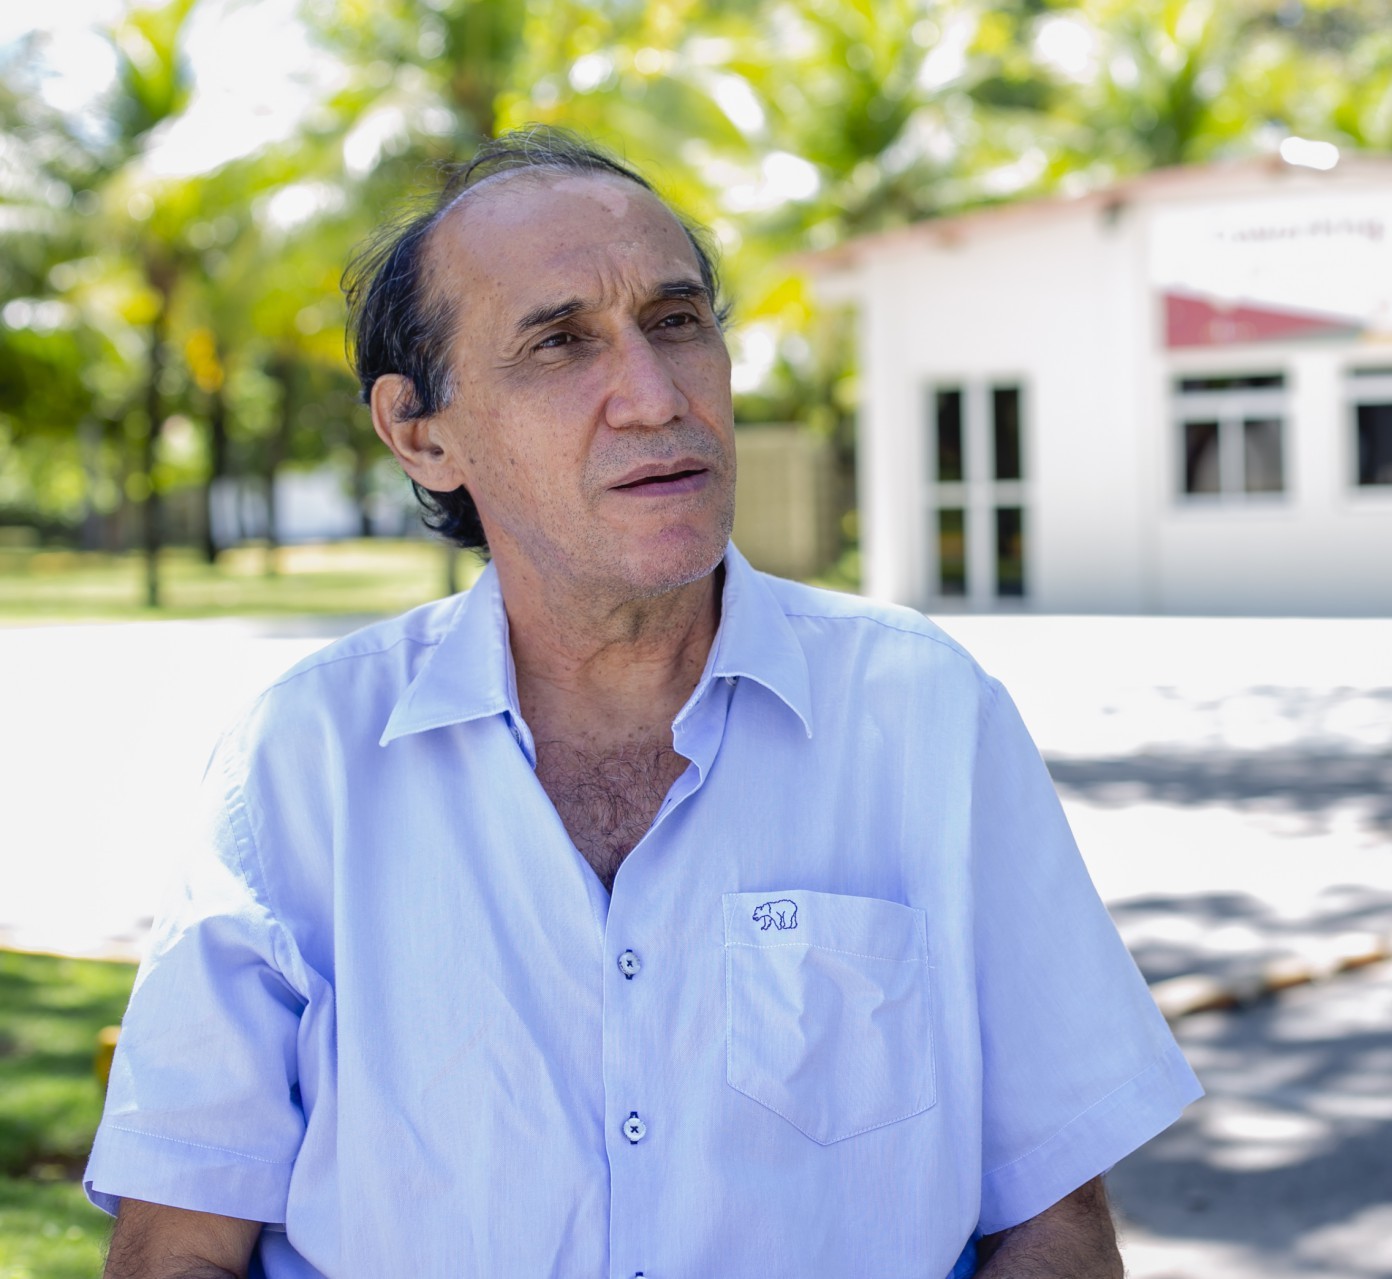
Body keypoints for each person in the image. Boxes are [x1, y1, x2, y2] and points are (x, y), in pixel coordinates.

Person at [84, 126, 1202, 1279]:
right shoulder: (303, 760)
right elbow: (178, 1244)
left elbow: (1055, 1222)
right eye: (560, 343)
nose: (655, 396)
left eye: (676, 322)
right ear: (422, 435)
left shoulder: (928, 719)